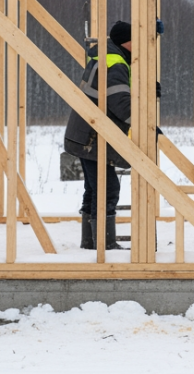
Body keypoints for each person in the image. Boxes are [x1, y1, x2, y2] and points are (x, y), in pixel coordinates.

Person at [63, 21, 140, 251]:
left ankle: (90, 242)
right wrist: (143, 121)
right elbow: (120, 102)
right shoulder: (116, 63)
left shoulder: (110, 57)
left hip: (86, 134)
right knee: (107, 189)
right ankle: (104, 245)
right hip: (93, 137)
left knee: (94, 187)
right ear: (126, 42)